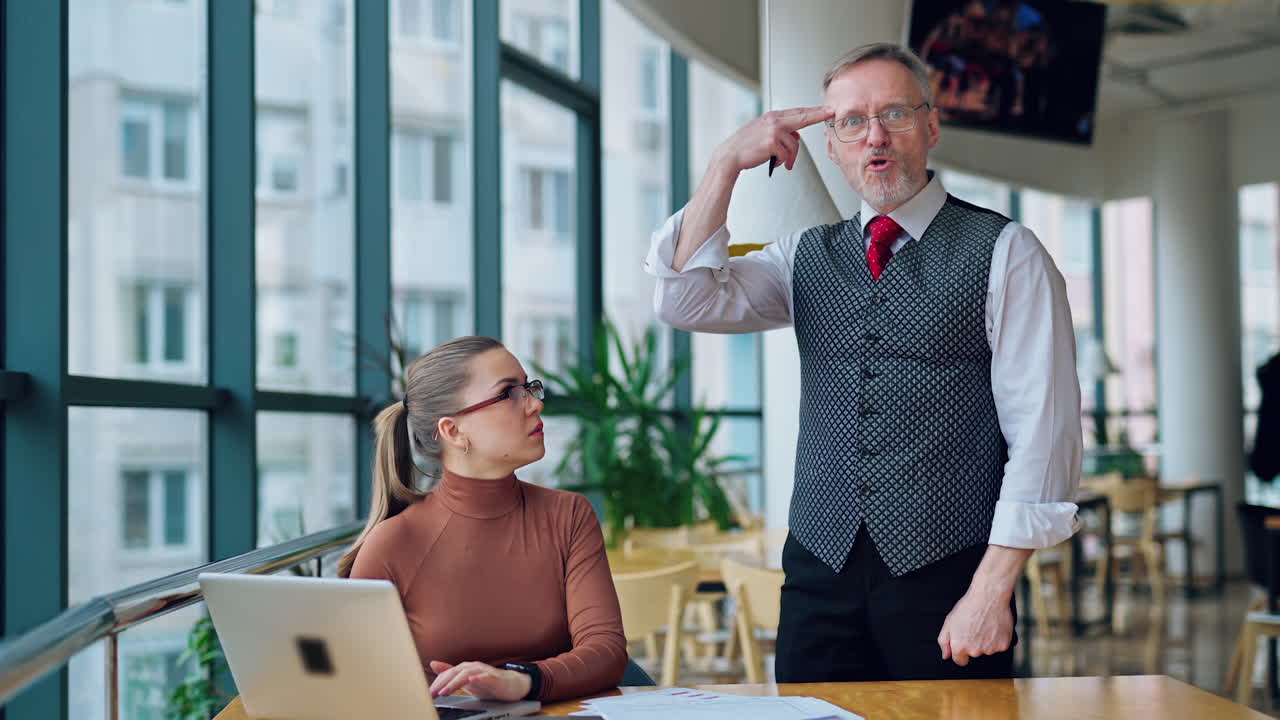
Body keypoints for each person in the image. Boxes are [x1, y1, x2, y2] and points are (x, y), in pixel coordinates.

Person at [644, 42, 1081, 681]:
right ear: (832, 145)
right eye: (851, 121)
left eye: (895, 115)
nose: (874, 136)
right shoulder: (801, 257)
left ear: (931, 127)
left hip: (948, 573)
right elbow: (685, 300)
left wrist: (991, 591)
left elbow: (1044, 432)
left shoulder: (1007, 252)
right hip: (819, 571)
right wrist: (724, 165)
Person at [337, 336, 627, 702]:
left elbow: (607, 651)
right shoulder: (393, 543)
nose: (536, 404)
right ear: (453, 431)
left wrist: (522, 682)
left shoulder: (568, 515)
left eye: (529, 388)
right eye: (510, 394)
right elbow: (357, 686)